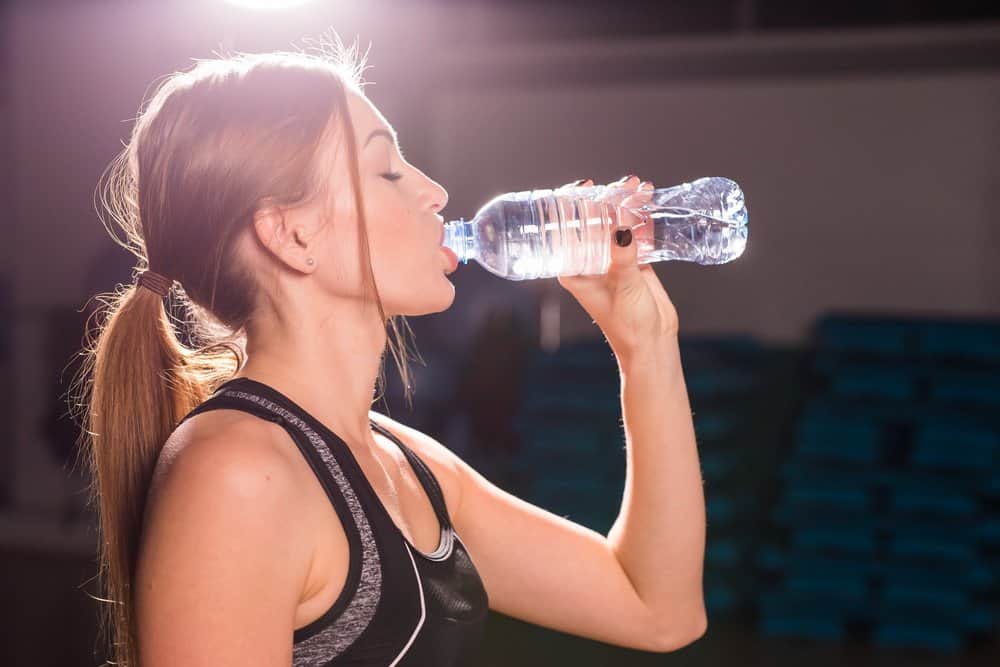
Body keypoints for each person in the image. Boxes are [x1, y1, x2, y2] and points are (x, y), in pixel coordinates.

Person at [72, 37, 707, 667]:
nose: (434, 192)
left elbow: (657, 610)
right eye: (388, 171)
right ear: (292, 235)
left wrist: (645, 344)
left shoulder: (406, 463)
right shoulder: (239, 475)